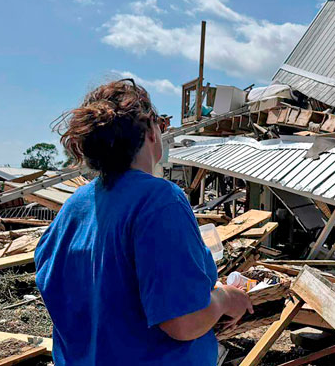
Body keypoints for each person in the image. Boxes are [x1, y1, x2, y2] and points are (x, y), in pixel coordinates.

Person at [35, 79, 253, 365]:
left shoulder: (74, 207)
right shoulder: (159, 200)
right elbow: (183, 323)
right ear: (151, 131)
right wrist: (225, 298)